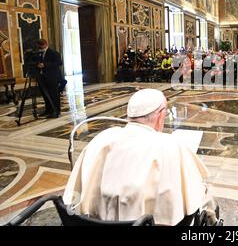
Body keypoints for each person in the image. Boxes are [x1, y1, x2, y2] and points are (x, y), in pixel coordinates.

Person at [63, 89, 218, 226]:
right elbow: (193, 197)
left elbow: (75, 197)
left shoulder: (101, 138)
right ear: (161, 115)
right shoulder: (171, 145)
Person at [35, 39, 63, 118]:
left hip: (52, 77)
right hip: (42, 78)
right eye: (39, 46)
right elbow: (37, 62)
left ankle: (56, 110)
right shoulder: (39, 53)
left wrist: (45, 65)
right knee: (45, 95)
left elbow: (59, 63)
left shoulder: (53, 52)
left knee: (54, 95)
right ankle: (48, 110)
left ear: (46, 44)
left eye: (42, 45)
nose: (40, 47)